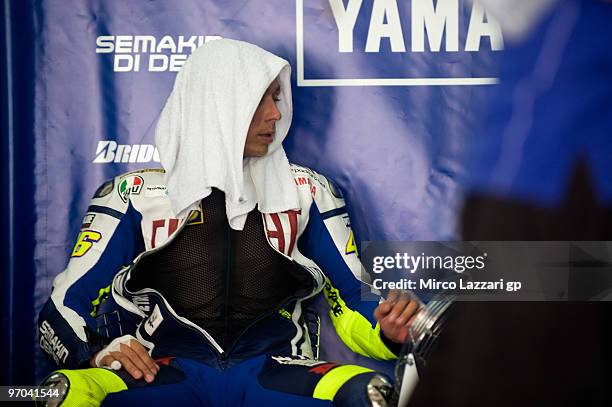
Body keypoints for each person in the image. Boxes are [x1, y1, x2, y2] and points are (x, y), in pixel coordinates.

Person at [37, 39, 420, 407]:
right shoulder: (133, 193)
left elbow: (353, 299)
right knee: (64, 391)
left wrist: (387, 332)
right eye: (260, 100)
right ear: (217, 105)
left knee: (368, 393)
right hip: (163, 369)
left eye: (276, 97)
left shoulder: (309, 191)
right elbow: (62, 306)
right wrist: (94, 352)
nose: (276, 113)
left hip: (276, 368)